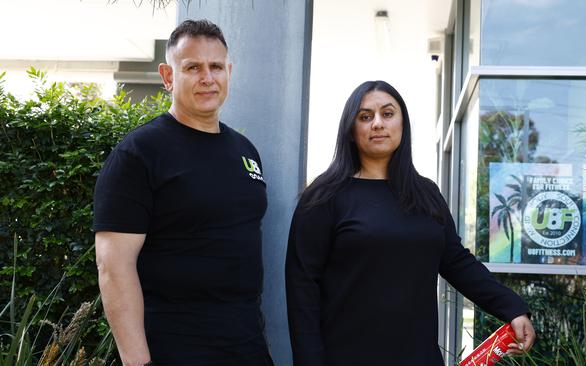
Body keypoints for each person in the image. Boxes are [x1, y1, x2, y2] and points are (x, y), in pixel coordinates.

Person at [285, 80, 535, 366]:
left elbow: (457, 262)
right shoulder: (324, 196)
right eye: (365, 117)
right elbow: (302, 288)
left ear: (403, 124)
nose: (377, 123)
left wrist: (513, 308)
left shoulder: (426, 193)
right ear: (351, 131)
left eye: (387, 114)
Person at [94, 19, 273, 366]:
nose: (207, 77)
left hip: (246, 346)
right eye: (192, 67)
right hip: (173, 348)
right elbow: (113, 266)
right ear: (167, 75)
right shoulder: (138, 154)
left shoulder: (246, 151)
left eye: (216, 66)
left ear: (229, 72)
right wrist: (138, 362)